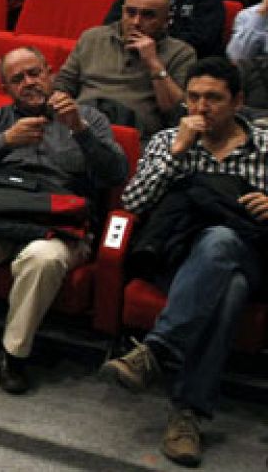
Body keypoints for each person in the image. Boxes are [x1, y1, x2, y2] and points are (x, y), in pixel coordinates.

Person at [101, 58, 268, 467]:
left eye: (213, 98)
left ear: (238, 101)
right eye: (193, 97)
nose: (200, 107)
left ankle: (156, 350)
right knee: (228, 290)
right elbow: (132, 204)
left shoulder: (266, 147)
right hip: (178, 260)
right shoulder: (167, 140)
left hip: (254, 255)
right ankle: (187, 413)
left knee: (222, 242)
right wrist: (177, 153)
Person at [0, 47, 124, 394]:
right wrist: (4, 142)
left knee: (44, 257)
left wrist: (80, 131)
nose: (29, 83)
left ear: (50, 73)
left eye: (34, 73)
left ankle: (13, 353)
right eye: (17, 79)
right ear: (5, 88)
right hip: (1, 217)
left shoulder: (87, 118)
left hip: (59, 227)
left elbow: (116, 173)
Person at [55, 0, 196, 136]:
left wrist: (154, 63)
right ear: (122, 12)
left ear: (166, 19)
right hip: (83, 122)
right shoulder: (93, 38)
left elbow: (177, 112)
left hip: (133, 131)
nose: (136, 22)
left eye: (148, 15)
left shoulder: (182, 53)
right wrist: (60, 99)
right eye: (131, 12)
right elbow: (63, 85)